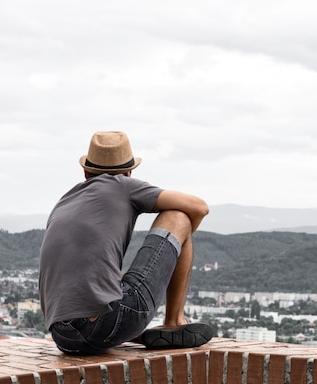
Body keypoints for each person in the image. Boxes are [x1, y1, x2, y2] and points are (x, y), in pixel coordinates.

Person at [38, 130, 212, 355]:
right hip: (104, 323)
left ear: (85, 171)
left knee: (110, 290)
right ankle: (174, 321)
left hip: (63, 337)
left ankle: (129, 333)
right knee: (179, 217)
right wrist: (179, 244)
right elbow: (200, 207)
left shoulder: (65, 201)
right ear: (129, 172)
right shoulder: (122, 185)